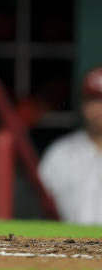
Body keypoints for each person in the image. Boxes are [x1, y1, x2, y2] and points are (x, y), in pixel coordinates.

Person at [39, 67, 102, 225]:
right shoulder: (60, 154)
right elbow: (39, 210)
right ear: (83, 104)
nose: (99, 109)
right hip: (67, 246)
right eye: (93, 100)